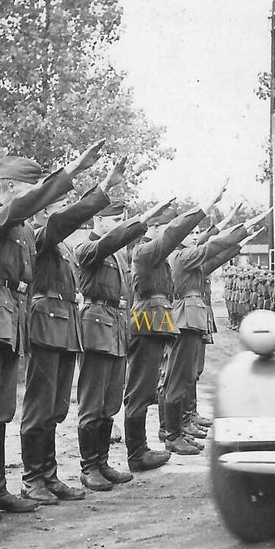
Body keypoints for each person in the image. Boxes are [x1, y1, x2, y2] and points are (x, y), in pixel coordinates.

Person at [0, 139, 105, 520]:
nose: (37, 196)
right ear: (8, 186)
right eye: (30, 188)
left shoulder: (25, 231)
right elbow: (27, 209)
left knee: (1, 410)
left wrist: (91, 185)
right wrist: (72, 170)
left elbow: (59, 221)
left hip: (13, 317)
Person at [19, 159, 127, 505]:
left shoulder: (62, 246)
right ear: (43, 210)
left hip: (64, 327)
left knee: (55, 408)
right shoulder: (39, 235)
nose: (66, 210)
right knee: (39, 407)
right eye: (60, 205)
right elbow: (64, 223)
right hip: (45, 324)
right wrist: (102, 189)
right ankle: (32, 479)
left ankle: (48, 475)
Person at [74, 197, 174, 490]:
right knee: (92, 402)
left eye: (122, 220)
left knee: (110, 402)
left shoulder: (118, 256)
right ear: (99, 220)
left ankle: (102, 462)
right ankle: (89, 466)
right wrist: (144, 218)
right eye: (116, 220)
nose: (120, 225)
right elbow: (108, 243)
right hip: (95, 327)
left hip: (116, 327)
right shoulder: (87, 246)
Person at [124, 189, 224, 471]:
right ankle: (142, 449)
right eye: (166, 228)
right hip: (147, 319)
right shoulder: (144, 250)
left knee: (148, 388)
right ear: (155, 227)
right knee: (143, 388)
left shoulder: (155, 254)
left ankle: (146, 446)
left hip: (155, 318)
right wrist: (204, 207)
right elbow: (174, 236)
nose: (171, 235)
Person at [163, 211, 249, 455]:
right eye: (190, 232)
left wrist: (238, 243)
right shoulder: (181, 256)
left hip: (190, 318)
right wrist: (240, 231)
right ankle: (172, 434)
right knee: (178, 380)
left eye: (196, 232)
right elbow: (210, 248)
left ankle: (178, 430)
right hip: (185, 319)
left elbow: (213, 260)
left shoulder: (186, 256)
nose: (195, 236)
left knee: (186, 377)